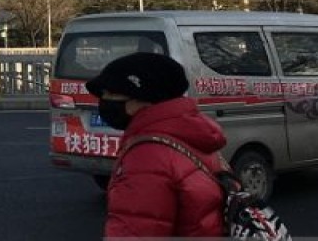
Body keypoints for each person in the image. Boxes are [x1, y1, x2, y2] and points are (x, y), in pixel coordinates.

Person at [85, 52, 228, 239]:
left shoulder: (146, 157)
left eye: (112, 93)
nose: (104, 101)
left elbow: (135, 232)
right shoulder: (191, 135)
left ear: (145, 99)